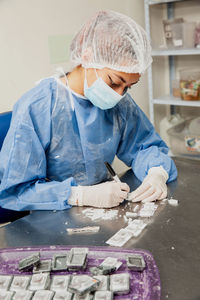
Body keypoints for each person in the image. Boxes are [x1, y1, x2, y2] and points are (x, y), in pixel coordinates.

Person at [0, 10, 177, 215]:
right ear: (87, 57)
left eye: (128, 87)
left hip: (100, 213)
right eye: (114, 82)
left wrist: (157, 172)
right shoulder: (38, 106)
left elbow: (144, 146)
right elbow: (17, 190)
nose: (119, 94)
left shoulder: (120, 104)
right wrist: (79, 195)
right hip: (51, 214)